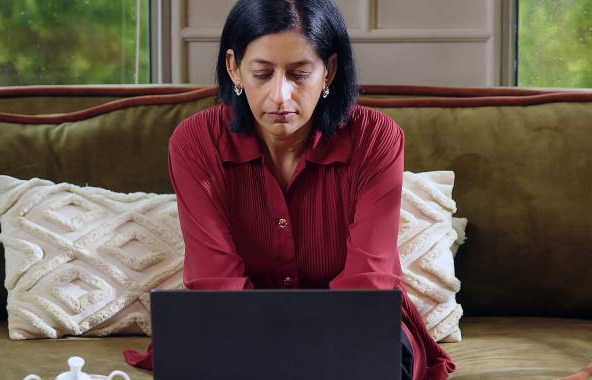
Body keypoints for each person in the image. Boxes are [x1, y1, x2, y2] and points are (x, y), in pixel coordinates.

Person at [123, 1, 456, 378]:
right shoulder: (196, 141)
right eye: (262, 74)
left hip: (356, 327)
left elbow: (369, 282)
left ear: (328, 71)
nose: (280, 96)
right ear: (234, 68)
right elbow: (217, 282)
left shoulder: (376, 138)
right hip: (237, 322)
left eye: (299, 74)